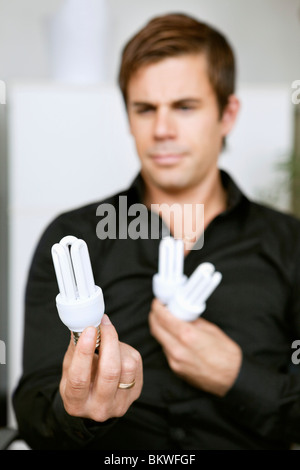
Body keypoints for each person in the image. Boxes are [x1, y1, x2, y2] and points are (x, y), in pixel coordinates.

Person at [13, 13, 300, 450]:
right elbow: (33, 412)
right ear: (128, 117)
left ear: (227, 114)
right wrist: (76, 410)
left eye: (185, 107)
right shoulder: (74, 238)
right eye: (145, 109)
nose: (162, 130)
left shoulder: (289, 245)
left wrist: (237, 377)